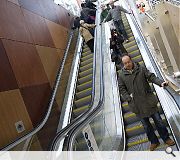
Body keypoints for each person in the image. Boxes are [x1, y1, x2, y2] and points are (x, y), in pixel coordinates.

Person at [118, 55, 175, 151]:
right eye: (125, 63)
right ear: (123, 64)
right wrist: (128, 98)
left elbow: (151, 77)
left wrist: (161, 82)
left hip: (148, 101)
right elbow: (122, 88)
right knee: (146, 126)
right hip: (137, 105)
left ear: (131, 61)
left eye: (128, 62)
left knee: (159, 122)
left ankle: (166, 138)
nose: (127, 64)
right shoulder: (121, 75)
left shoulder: (141, 69)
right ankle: (154, 142)